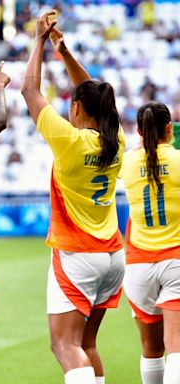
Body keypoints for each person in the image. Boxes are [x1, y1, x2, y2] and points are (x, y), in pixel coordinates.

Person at [21, 12, 126, 384]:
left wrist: (37, 41)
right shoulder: (117, 140)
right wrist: (63, 53)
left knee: (64, 345)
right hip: (113, 254)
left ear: (76, 109)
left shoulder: (69, 140)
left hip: (78, 255)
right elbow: (99, 99)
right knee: (87, 343)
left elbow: (30, 92)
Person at [119, 101, 180, 384]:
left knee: (151, 349)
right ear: (170, 128)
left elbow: (136, 152)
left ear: (140, 132)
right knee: (177, 347)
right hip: (176, 260)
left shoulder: (128, 162)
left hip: (138, 266)